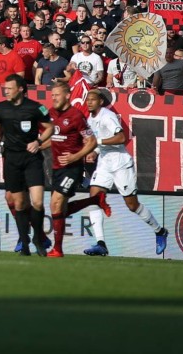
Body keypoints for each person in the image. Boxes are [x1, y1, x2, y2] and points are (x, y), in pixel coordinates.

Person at [64, 90, 169, 257]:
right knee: (94, 197)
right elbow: (99, 141)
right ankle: (101, 244)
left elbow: (121, 138)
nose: (89, 102)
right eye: (87, 99)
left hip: (121, 164)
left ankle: (160, 231)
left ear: (100, 102)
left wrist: (97, 143)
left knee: (132, 206)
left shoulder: (108, 116)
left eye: (93, 99)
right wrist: (95, 151)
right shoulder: (91, 120)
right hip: (105, 163)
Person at [0, 74, 54, 255]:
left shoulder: (37, 108)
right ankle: (25, 243)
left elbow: (50, 128)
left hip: (32, 159)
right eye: (5, 88)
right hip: (12, 160)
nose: (5, 91)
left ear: (20, 89)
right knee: (20, 203)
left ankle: (38, 236)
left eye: (9, 88)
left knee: (37, 201)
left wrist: (38, 141)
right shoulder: (0, 108)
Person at [42, 81, 107, 258]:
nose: (53, 98)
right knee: (58, 209)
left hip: (73, 168)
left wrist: (75, 157)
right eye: (52, 95)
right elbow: (53, 138)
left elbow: (91, 141)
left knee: (56, 202)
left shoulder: (76, 116)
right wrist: (37, 146)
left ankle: (57, 249)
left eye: (57, 95)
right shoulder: (51, 113)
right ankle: (94, 200)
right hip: (56, 167)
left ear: (67, 95)